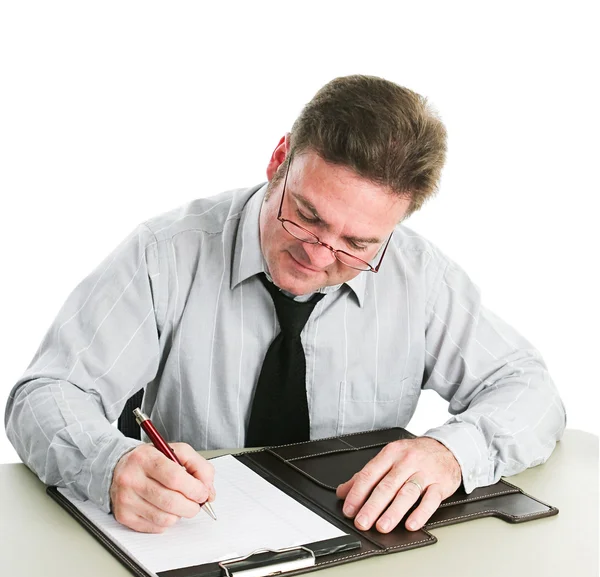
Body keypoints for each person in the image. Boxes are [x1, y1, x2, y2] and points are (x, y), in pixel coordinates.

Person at [5, 75, 566, 536]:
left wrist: (452, 453)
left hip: (360, 548)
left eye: (358, 243)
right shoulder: (165, 254)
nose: (320, 256)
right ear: (279, 160)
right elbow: (47, 393)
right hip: (195, 540)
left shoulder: (419, 275)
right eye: (307, 215)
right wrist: (111, 464)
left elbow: (529, 389)